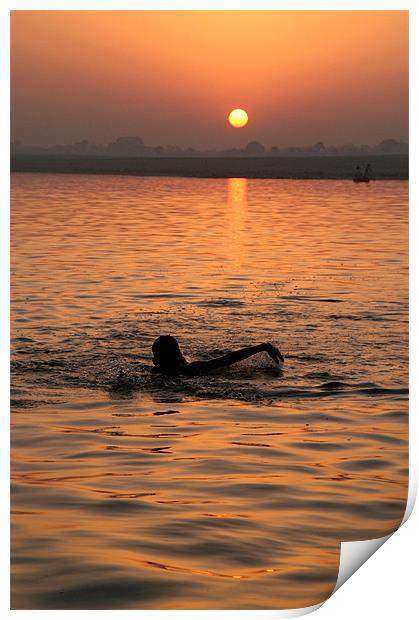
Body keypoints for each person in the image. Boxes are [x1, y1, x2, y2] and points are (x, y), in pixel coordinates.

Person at [151, 335, 284, 376]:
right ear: (180, 356)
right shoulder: (192, 369)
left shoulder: (154, 373)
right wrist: (262, 347)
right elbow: (227, 359)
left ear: (154, 361)